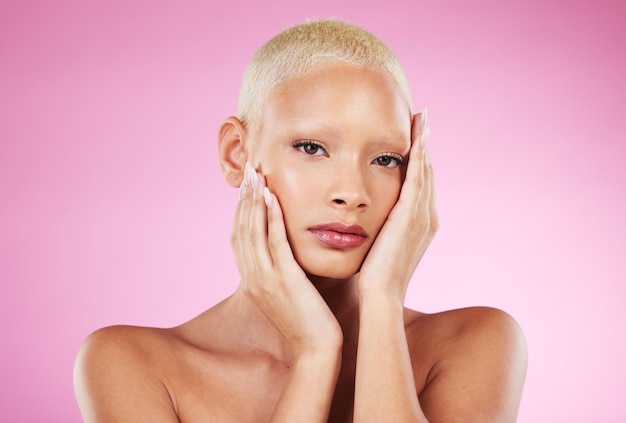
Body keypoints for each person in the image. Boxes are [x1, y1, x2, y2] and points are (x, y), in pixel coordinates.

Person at [73, 18, 527, 422]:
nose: (351, 192)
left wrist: (383, 298)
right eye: (312, 148)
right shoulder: (131, 364)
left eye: (386, 158)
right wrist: (315, 354)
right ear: (237, 154)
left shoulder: (476, 342)